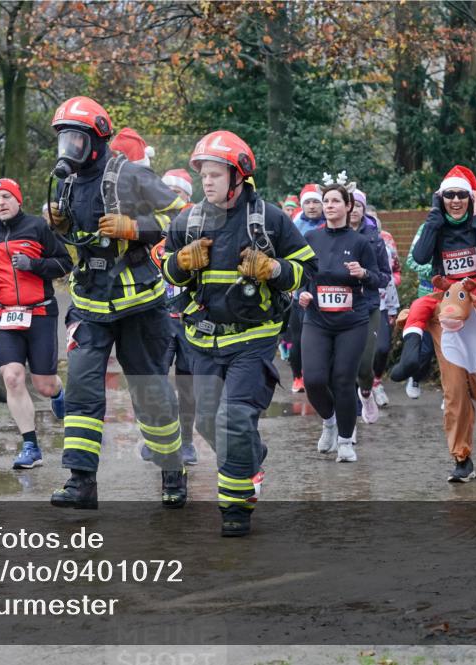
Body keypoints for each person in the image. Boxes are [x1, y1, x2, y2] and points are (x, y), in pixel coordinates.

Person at [164, 131, 316, 535]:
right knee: (209, 423)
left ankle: (235, 508)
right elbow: (166, 272)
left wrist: (274, 270)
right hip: (203, 340)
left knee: (234, 418)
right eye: (203, 175)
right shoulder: (188, 221)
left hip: (252, 340)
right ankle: (252, 455)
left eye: (215, 174)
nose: (207, 182)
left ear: (238, 177)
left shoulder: (270, 220)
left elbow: (306, 272)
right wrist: (180, 262)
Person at [46, 96, 187, 510]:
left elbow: (187, 218)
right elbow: (77, 240)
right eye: (64, 139)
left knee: (151, 393)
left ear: (97, 138)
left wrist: (136, 227)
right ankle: (81, 481)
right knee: (82, 393)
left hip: (140, 305)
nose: (68, 148)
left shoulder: (131, 176)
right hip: (90, 303)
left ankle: (171, 470)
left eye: (76, 139)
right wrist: (63, 224)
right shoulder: (67, 181)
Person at [0, 178, 71, 469]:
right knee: (13, 378)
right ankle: (30, 446)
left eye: (6, 197)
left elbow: (65, 263)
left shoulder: (38, 228)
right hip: (6, 314)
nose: (1, 202)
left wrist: (35, 265)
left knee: (43, 385)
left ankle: (58, 393)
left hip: (40, 313)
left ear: (18, 200)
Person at [390, 165, 476, 395]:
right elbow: (420, 256)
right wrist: (434, 218)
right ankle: (410, 357)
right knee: (418, 306)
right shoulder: (435, 224)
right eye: (449, 195)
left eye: (462, 195)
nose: (456, 200)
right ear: (440, 199)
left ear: (470, 198)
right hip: (445, 294)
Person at [297, 184, 384, 463]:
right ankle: (329, 421)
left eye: (336, 200)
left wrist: (363, 273)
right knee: (314, 379)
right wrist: (302, 293)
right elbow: (299, 276)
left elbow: (379, 280)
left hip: (352, 321)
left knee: (344, 380)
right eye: (326, 201)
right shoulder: (311, 238)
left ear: (349, 206)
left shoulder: (361, 242)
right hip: (317, 319)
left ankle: (346, 441)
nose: (330, 205)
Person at [149, 169, 198, 466]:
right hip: (158, 318)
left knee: (187, 385)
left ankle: (188, 442)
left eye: (176, 192)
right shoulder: (147, 227)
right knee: (154, 380)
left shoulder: (199, 225)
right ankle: (156, 437)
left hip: (190, 319)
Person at [348, 188, 391, 426]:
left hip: (368, 304)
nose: (353, 210)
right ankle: (343, 425)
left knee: (365, 365)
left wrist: (365, 275)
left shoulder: (374, 238)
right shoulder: (327, 235)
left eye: (358, 206)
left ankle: (366, 392)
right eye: (350, 205)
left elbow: (384, 276)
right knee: (339, 366)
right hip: (336, 309)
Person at [286, 183, 325, 392]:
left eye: (316, 202)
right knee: (298, 337)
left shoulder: (330, 224)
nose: (311, 206)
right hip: (299, 289)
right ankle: (297, 376)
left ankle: (319, 376)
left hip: (323, 288)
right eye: (308, 202)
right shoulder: (295, 225)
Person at [402, 221, 438, 398]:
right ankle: (415, 377)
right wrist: (436, 271)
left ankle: (452, 393)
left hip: (455, 295)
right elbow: (412, 260)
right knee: (427, 347)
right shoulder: (426, 227)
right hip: (428, 294)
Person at [371, 212, 401, 406]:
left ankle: (376, 382)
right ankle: (362, 387)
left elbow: (391, 274)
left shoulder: (385, 242)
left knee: (381, 348)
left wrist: (392, 308)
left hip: (381, 303)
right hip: (356, 305)